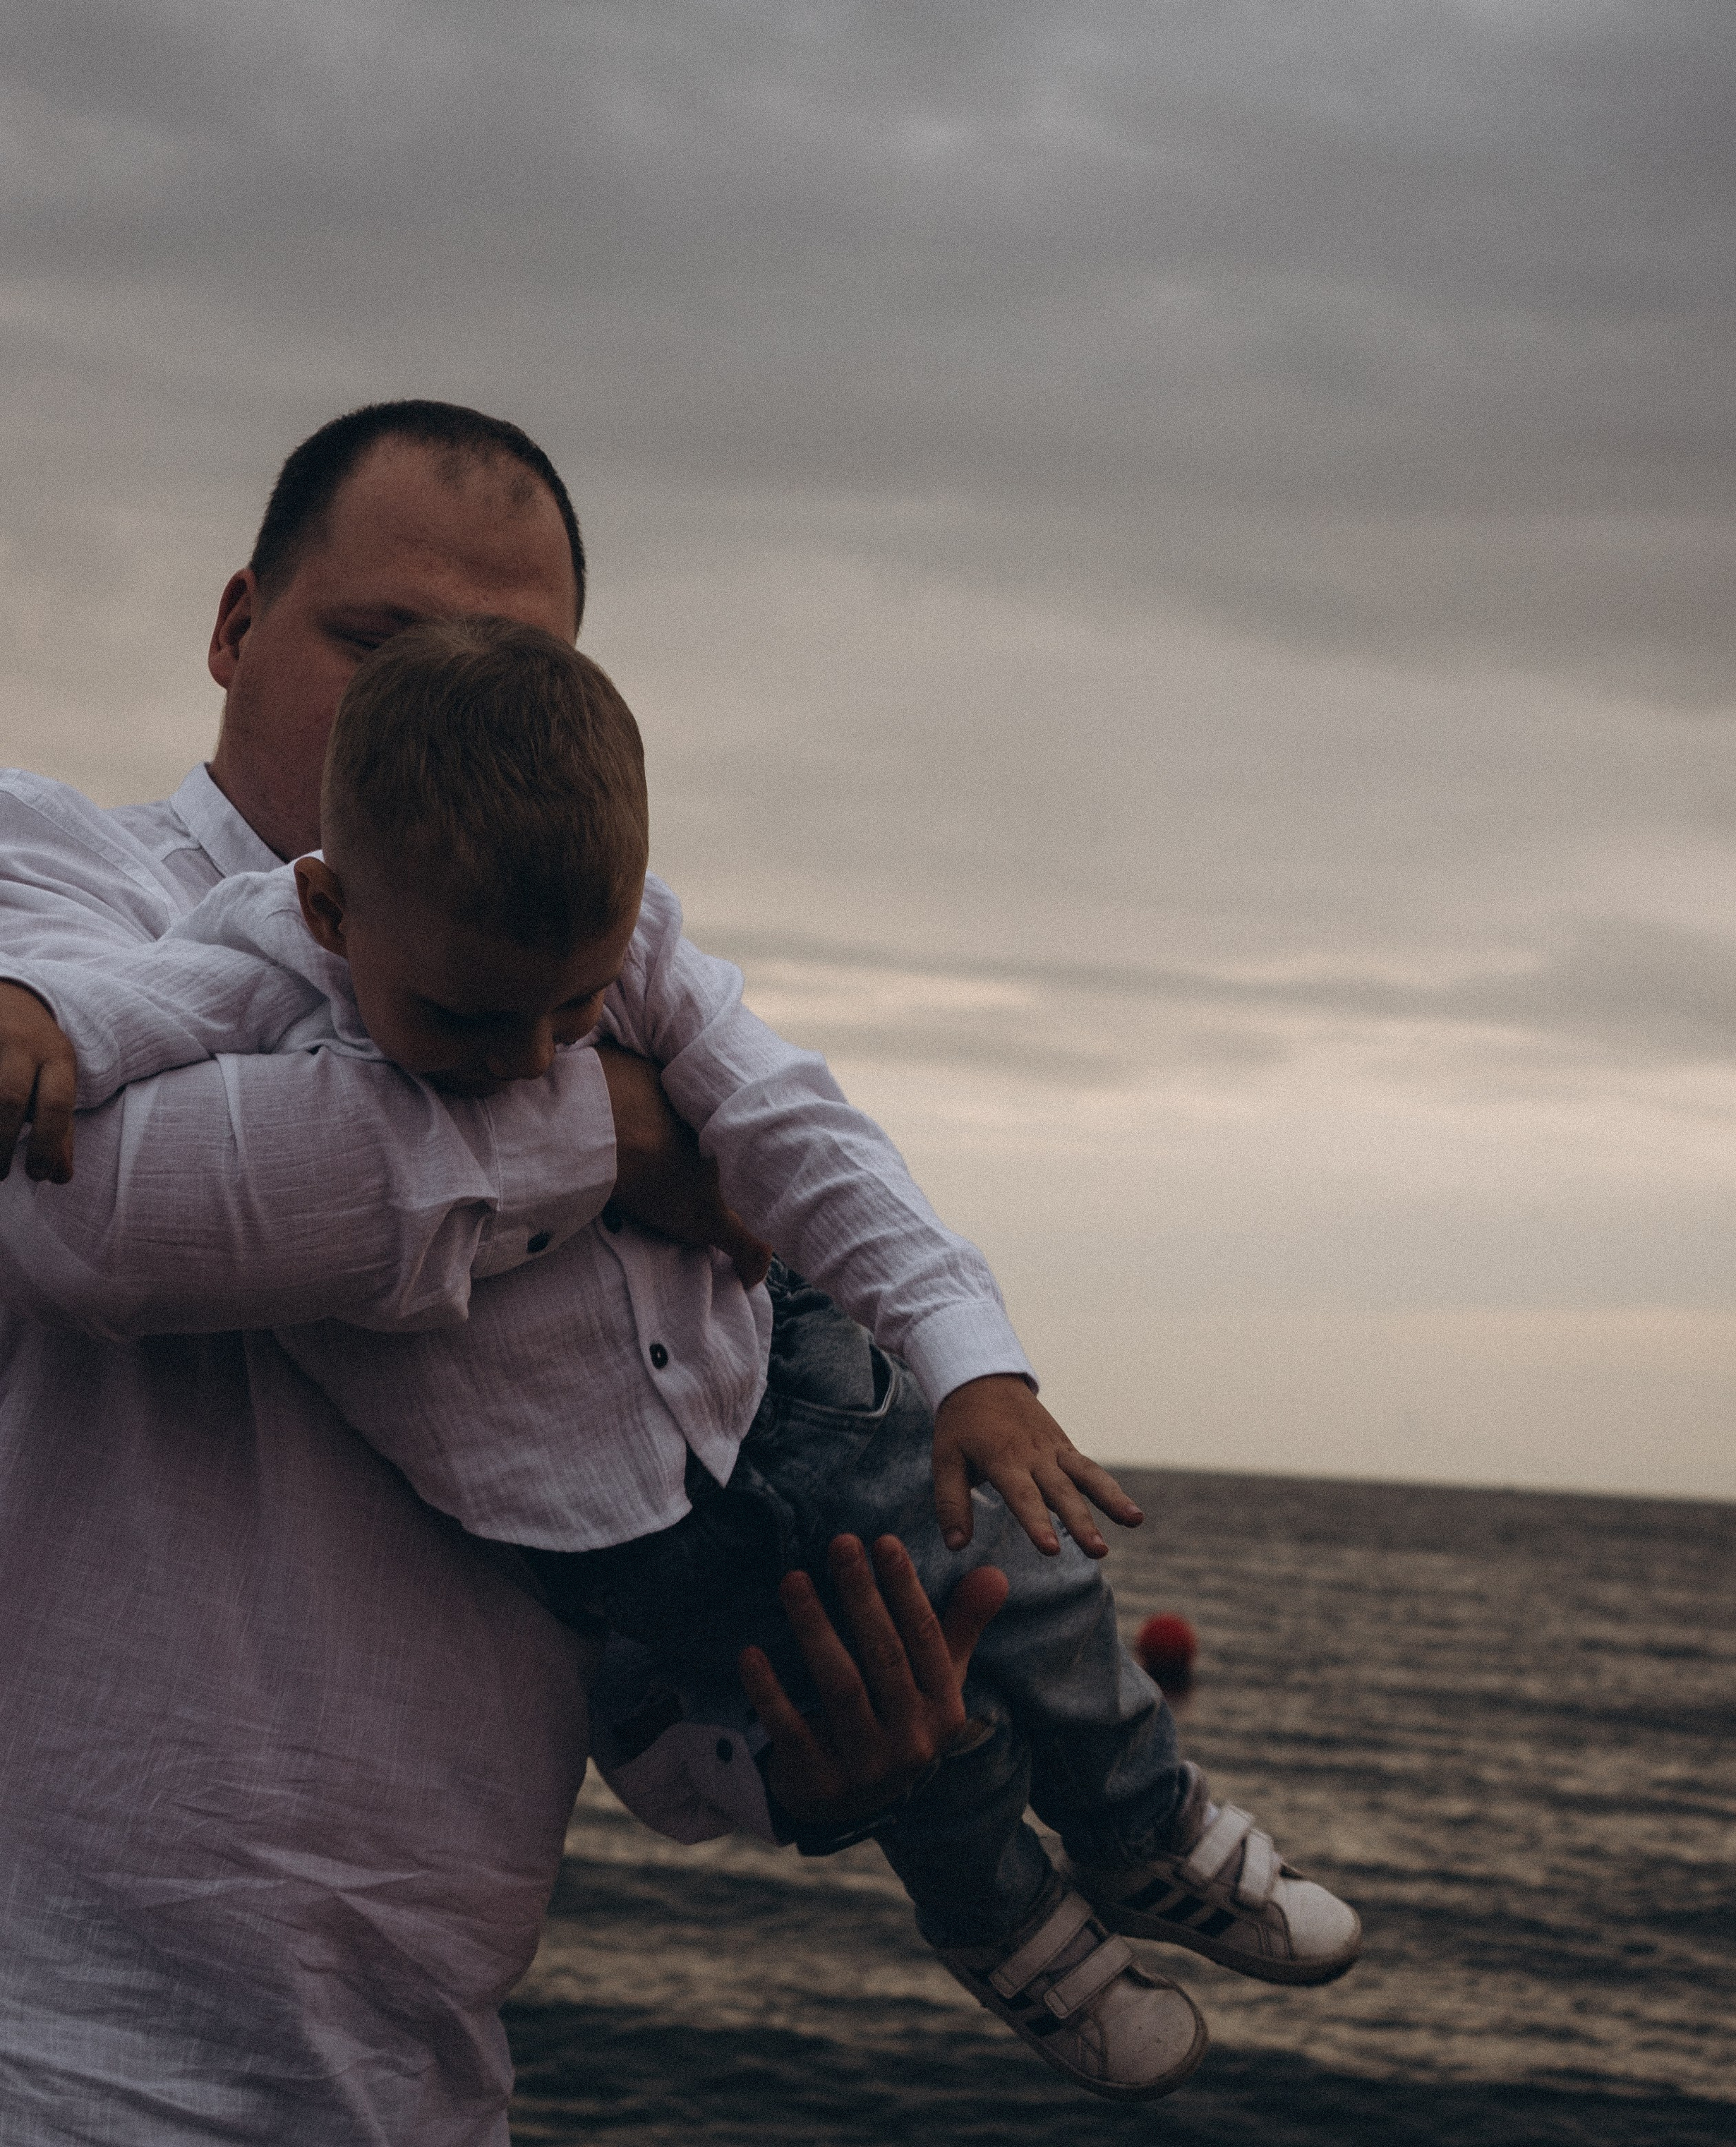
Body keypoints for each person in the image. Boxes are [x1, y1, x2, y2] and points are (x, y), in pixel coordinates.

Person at [0, 402, 1007, 2146]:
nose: (417, 702)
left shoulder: (585, 985)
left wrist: (797, 1761)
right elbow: (91, 1214)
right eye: (372, 641)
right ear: (236, 625)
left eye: (498, 662)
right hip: (53, 2056)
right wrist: (620, 1139)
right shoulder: (51, 876)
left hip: (419, 2090)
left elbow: (629, 1631)